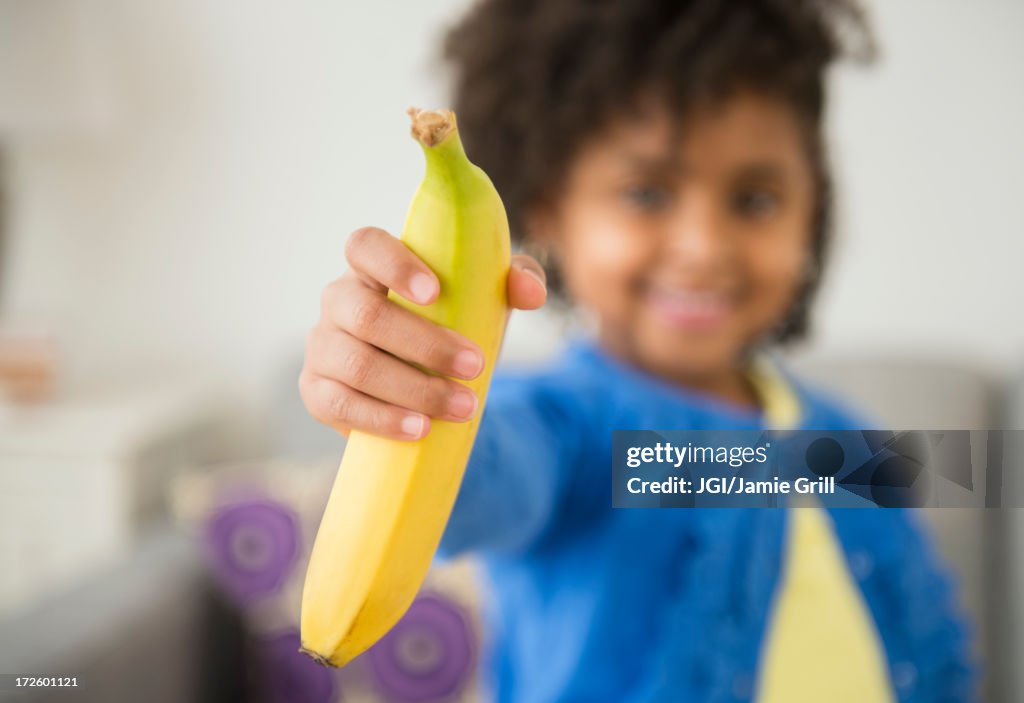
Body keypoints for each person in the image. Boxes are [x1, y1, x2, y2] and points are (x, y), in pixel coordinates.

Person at [300, 0, 975, 700]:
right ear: (548, 208)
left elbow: (929, 628)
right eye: (647, 193)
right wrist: (414, 397)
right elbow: (485, 479)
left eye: (755, 200)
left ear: (816, 208)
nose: (704, 247)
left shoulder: (845, 436)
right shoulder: (568, 429)